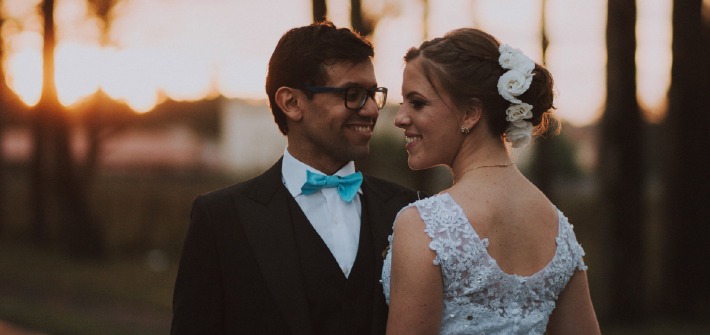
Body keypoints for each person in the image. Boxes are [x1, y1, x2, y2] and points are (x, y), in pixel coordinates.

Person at [170, 21, 419, 335]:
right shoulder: (221, 218)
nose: (371, 110)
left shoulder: (409, 210)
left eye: (373, 94)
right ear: (291, 102)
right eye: (353, 94)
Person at [381, 28, 601, 334]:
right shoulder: (558, 230)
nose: (400, 117)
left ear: (470, 113)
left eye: (417, 103)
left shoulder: (426, 226)